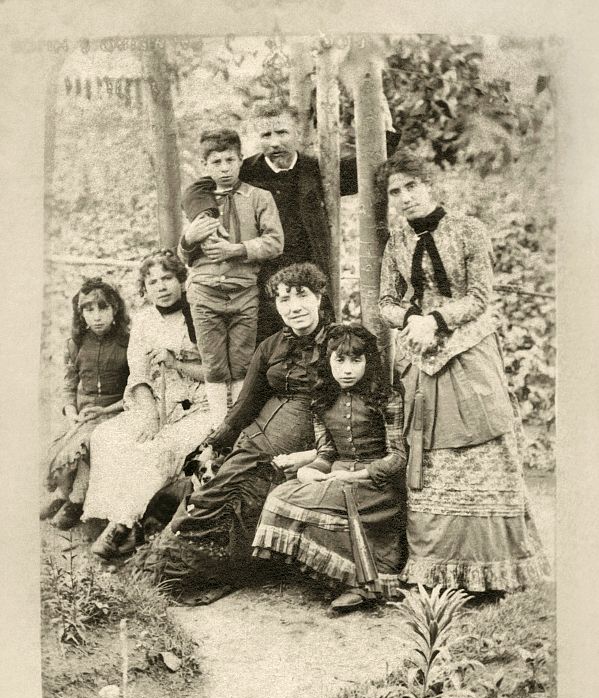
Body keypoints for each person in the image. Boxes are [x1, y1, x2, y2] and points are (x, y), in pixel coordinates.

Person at [378, 150, 548, 595]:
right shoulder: (395, 243)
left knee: (486, 441)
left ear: (431, 185)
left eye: (412, 186)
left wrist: (435, 320)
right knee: (429, 458)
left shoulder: (470, 231)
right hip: (418, 355)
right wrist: (411, 317)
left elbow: (480, 297)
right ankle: (434, 569)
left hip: (469, 348)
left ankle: (496, 570)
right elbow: (385, 303)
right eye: (396, 192)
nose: (406, 197)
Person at [130, 262, 330, 594]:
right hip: (255, 438)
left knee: (242, 496)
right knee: (208, 487)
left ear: (320, 296)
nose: (294, 307)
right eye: (283, 300)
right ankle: (166, 565)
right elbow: (246, 404)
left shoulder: (342, 343)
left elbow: (352, 407)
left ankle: (216, 569)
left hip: (302, 440)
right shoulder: (270, 347)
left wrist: (321, 454)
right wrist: (213, 441)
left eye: (302, 296)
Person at [252, 323, 407, 612]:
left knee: (319, 500)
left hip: (376, 485)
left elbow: (398, 457)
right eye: (340, 360)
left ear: (368, 362)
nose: (347, 369)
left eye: (356, 361)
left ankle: (362, 584)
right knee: (280, 496)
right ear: (328, 361)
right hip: (337, 477)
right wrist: (311, 470)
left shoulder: (387, 398)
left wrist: (355, 474)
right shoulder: (322, 401)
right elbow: (327, 452)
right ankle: (334, 575)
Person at [82, 250, 212, 559]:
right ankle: (110, 516)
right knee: (109, 436)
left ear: (182, 279)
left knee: (159, 449)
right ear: (145, 288)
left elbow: (218, 372)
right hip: (154, 403)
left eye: (167, 278)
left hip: (199, 406)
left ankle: (123, 526)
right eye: (152, 281)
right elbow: (138, 375)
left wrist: (177, 362)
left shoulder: (200, 316)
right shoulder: (142, 322)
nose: (161, 287)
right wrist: (150, 415)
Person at [238, 103, 400, 339]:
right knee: (267, 346)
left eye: (282, 132)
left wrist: (386, 134)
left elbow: (360, 171)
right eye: (266, 135)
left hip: (310, 272)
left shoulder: (316, 170)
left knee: (317, 342)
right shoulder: (246, 173)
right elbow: (205, 187)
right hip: (262, 277)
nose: (274, 142)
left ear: (297, 133)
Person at [177, 128, 284, 428]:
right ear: (205, 166)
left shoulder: (258, 197)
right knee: (212, 362)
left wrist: (235, 250)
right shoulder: (197, 200)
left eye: (230, 160)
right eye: (216, 162)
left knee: (241, 362)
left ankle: (236, 427)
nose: (224, 169)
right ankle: (216, 425)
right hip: (204, 292)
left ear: (241, 160)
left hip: (243, 293)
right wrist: (187, 239)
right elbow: (184, 254)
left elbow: (276, 242)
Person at [40, 277, 130, 530]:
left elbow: (135, 390)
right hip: (85, 413)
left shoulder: (127, 343)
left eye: (103, 308)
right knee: (62, 448)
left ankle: (76, 501)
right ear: (80, 314)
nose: (97, 317)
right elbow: (69, 384)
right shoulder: (76, 344)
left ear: (115, 310)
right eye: (89, 310)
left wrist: (107, 410)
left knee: (87, 445)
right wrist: (71, 412)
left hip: (116, 411)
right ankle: (62, 495)